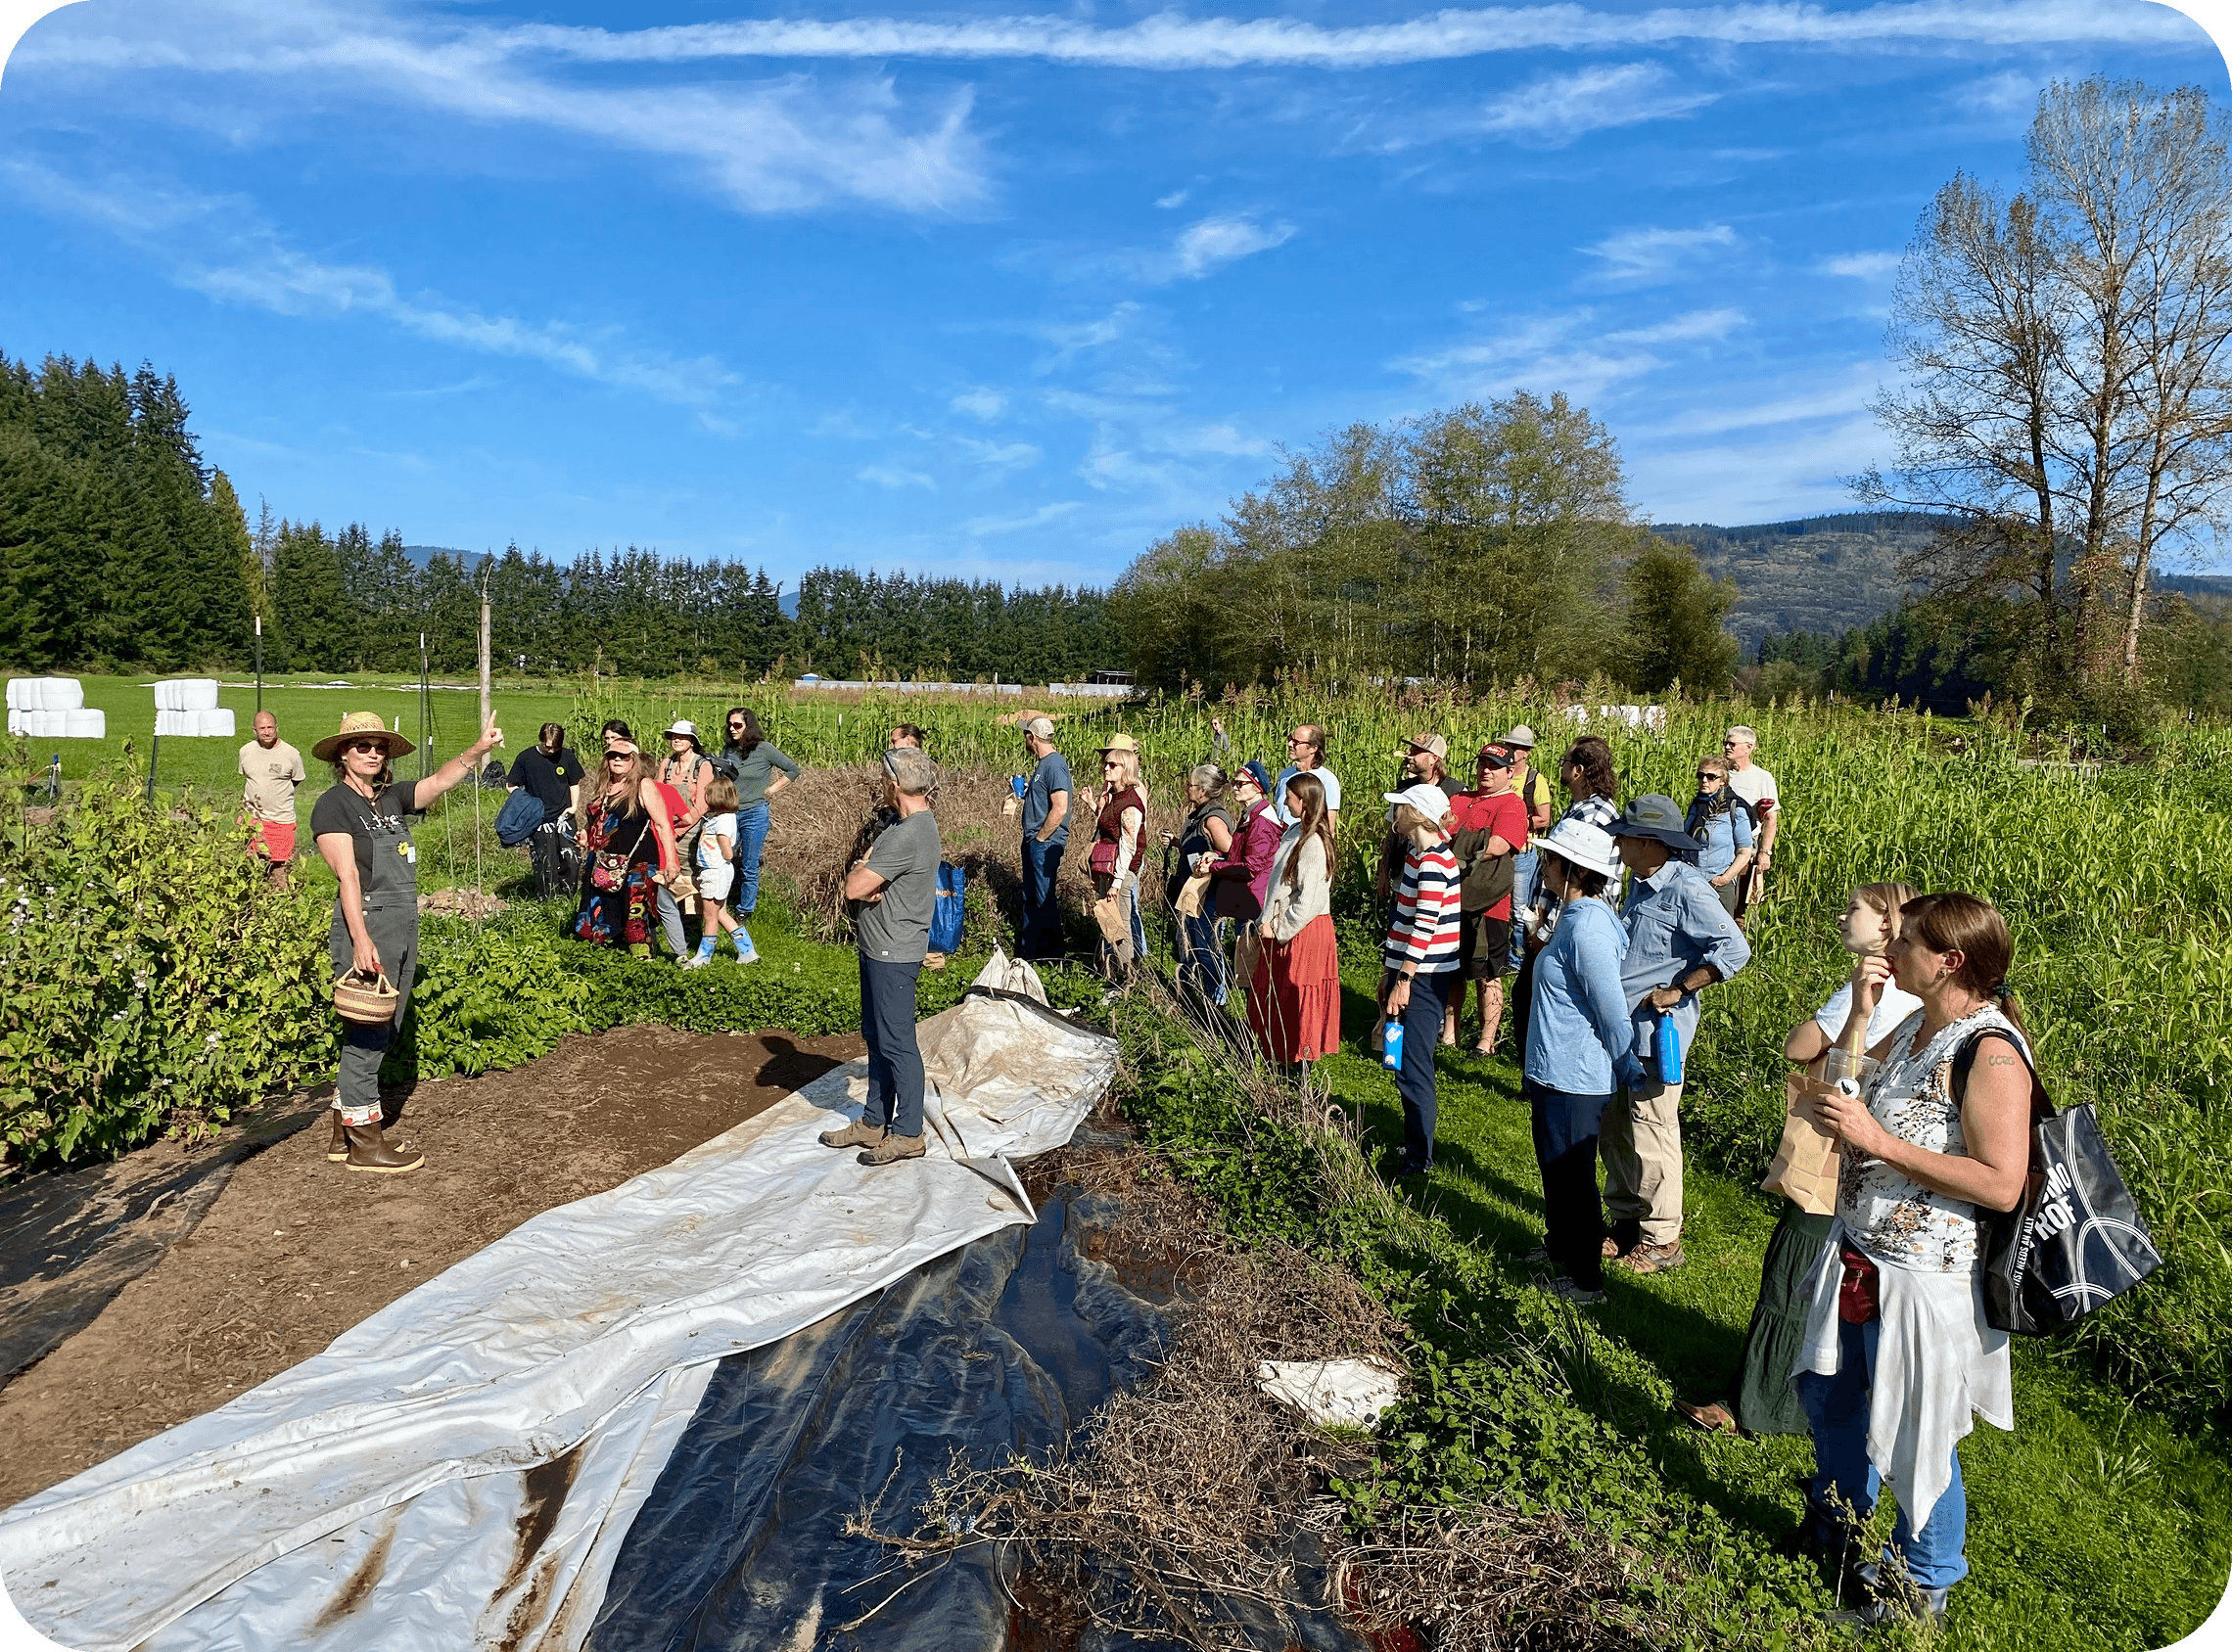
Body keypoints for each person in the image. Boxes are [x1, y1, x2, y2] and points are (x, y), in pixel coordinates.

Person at [1790, 893, 2033, 1628]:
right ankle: (1840, 1529)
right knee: (1832, 1400)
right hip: (1864, 1253)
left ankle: (1919, 1590)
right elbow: (1843, 1095)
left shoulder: (1989, 1051)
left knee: (1916, 1436)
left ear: (1950, 961)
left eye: (1906, 944)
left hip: (1926, 1277)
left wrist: (1879, 1142)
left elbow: (2002, 1182)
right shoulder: (1919, 1025)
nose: (1889, 953)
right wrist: (1862, 1017)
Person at [1677, 883, 1920, 1439]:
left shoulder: (1869, 984)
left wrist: (1851, 1014)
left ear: (1886, 924)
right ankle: (1810, 1406)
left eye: (1854, 908)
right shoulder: (1912, 992)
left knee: (1795, 1274)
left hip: (1839, 1152)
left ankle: (1758, 1408)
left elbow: (1799, 1046)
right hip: (1878, 1163)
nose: (1842, 914)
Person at [310, 709, 503, 1174]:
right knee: (368, 1033)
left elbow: (438, 782)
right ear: (342, 753)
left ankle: (342, 1126)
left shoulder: (389, 799)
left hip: (401, 923)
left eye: (379, 747)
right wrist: (360, 940)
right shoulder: (333, 805)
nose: (372, 753)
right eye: (362, 746)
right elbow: (348, 876)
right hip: (369, 923)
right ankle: (365, 1144)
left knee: (384, 1026)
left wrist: (478, 751)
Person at [1602, 795, 1751, 1274]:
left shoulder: (1687, 888)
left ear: (1650, 842)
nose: (1619, 841)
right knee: (1617, 1130)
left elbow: (1734, 949)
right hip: (1622, 1031)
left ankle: (1662, 1238)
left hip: (1656, 1037)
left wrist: (1679, 989)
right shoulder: (1640, 883)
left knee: (1652, 1133)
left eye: (1626, 835)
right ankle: (1626, 1220)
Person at [1519, 817, 1642, 1303]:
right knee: (1555, 1167)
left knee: (1573, 1176)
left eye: (1550, 859)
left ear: (1571, 870)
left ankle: (1587, 1278)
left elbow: (1610, 1006)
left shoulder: (1588, 928)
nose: (1543, 865)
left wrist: (1625, 1058)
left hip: (1576, 1074)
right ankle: (1561, 1246)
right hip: (1553, 1067)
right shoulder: (1571, 918)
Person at [819, 747, 944, 1166]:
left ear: (894, 785)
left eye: (882, 780)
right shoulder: (903, 825)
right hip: (879, 946)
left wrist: (865, 871)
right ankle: (874, 1121)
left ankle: (909, 1132)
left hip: (894, 950)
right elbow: (866, 876)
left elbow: (854, 886)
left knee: (898, 1043)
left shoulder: (910, 833)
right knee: (877, 1039)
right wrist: (869, 870)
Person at [1512, 734, 1622, 1059]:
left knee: (1534, 998)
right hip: (1558, 923)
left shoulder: (1593, 815)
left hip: (1568, 926)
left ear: (1578, 770)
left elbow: (1578, 880)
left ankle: (1540, 1076)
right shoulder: (1581, 808)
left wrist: (1544, 933)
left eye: (1565, 762)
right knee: (1528, 995)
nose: (1560, 769)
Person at [1379, 782, 1462, 1179]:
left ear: (1415, 814)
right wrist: (1389, 971)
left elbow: (1425, 925)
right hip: (1409, 971)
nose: (1394, 813)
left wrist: (1404, 978)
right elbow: (1403, 920)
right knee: (1402, 1061)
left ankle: (1419, 1158)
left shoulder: (1432, 863)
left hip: (1424, 976)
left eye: (1400, 807)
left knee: (1413, 1064)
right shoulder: (1418, 856)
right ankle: (1414, 1139)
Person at [1251, 771, 1340, 1073]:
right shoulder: (1293, 832)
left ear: (1303, 801)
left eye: (1289, 797)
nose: (1285, 802)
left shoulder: (1314, 842)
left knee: (1299, 996)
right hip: (1286, 928)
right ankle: (1279, 1056)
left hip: (1303, 930)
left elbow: (1309, 901)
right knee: (1278, 995)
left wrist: (1278, 929)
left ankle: (1299, 1068)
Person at [1447, 744, 1529, 1055]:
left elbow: (1497, 845)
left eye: (1494, 766)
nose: (1486, 770)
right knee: (1451, 969)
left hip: (1489, 905)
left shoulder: (1512, 805)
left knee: (1489, 974)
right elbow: (1435, 830)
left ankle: (1486, 1042)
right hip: (1452, 898)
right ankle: (1449, 1035)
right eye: (1483, 764)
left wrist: (1456, 845)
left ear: (1509, 772)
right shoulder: (1461, 799)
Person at [572, 742, 680, 959]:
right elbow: (594, 822)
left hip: (637, 864)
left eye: (623, 757)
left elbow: (663, 825)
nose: (617, 760)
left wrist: (671, 862)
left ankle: (643, 962)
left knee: (635, 915)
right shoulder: (604, 786)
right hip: (602, 864)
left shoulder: (644, 786)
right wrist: (585, 835)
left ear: (634, 761)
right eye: (613, 756)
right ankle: (606, 960)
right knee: (603, 912)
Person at [715, 709, 799, 923]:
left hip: (755, 813)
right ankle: (718, 903)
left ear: (748, 726)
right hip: (729, 812)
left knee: (749, 864)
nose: (732, 729)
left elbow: (792, 769)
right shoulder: (728, 751)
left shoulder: (764, 749)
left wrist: (772, 789)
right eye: (730, 725)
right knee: (724, 859)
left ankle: (745, 909)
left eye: (737, 725)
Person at [1163, 762, 1234, 1007]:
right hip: (1195, 891)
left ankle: (1216, 1001)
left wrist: (1213, 860)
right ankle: (1197, 994)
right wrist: (1176, 843)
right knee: (1193, 942)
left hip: (1208, 894)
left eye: (1191, 785)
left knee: (1206, 945)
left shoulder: (1213, 819)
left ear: (1203, 790)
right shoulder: (1199, 814)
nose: (1187, 788)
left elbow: (1231, 853)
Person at [1088, 736, 1147, 980]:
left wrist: (1116, 883)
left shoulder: (1130, 802)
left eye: (1113, 765)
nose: (1106, 767)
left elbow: (1128, 846)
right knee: (1109, 923)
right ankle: (1111, 972)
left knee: (1120, 927)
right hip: (1109, 870)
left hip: (1121, 873)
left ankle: (1126, 979)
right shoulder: (1116, 797)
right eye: (1106, 764)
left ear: (1126, 769)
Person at [1502, 723, 1558, 975]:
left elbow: (1544, 819)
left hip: (1523, 853)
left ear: (1526, 752)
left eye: (1516, 747)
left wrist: (1517, 823)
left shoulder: (1536, 780)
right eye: (1509, 746)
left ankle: (1519, 958)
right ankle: (1502, 953)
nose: (1511, 751)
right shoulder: (1500, 774)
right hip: (1500, 851)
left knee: (1520, 907)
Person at [506, 722, 585, 899]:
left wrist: (573, 807)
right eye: (548, 747)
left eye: (555, 747)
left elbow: (574, 783)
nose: (552, 751)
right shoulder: (526, 758)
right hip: (539, 818)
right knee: (546, 861)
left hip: (564, 816)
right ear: (541, 740)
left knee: (571, 859)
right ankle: (547, 900)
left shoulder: (566, 756)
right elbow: (511, 785)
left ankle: (568, 898)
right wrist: (528, 804)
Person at [685, 774, 756, 967]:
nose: (705, 797)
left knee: (710, 917)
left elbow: (727, 851)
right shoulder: (722, 818)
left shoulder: (723, 821)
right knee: (721, 913)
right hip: (717, 872)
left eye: (707, 794)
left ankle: (703, 956)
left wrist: (724, 855)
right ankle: (747, 951)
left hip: (714, 872)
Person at [1018, 716, 1073, 961]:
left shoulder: (1054, 764)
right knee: (1032, 897)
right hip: (1035, 841)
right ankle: (1030, 954)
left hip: (1045, 843)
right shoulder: (1044, 766)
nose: (1024, 740)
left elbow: (1060, 807)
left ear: (1033, 738)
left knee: (1043, 898)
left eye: (1025, 735)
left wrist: (1041, 838)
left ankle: (1054, 957)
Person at [239, 710, 306, 889]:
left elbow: (297, 780)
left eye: (270, 727)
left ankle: (281, 909)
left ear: (277, 728)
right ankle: (253, 911)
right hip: (253, 820)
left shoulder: (291, 754)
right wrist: (242, 813)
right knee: (251, 870)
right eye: (262, 728)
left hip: (280, 820)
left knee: (280, 872)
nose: (267, 732)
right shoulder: (245, 751)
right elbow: (249, 781)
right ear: (254, 730)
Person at [1685, 755, 1756, 916]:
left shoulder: (1735, 808)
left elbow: (1745, 851)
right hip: (1692, 883)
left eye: (1711, 777)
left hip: (1719, 886)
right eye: (1700, 775)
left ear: (1723, 781)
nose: (1704, 780)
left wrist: (1724, 878)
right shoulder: (1696, 806)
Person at [1725, 725, 1781, 921]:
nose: (1727, 747)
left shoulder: (1762, 778)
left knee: (1741, 904)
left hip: (1746, 847)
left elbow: (1770, 817)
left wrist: (1765, 852)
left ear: (1748, 748)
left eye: (1732, 744)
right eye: (1726, 743)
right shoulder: (1718, 773)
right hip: (1719, 844)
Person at [1274, 722, 1340, 829]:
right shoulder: (1285, 775)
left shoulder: (1327, 780)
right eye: (1290, 739)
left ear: (1313, 748)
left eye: (1296, 742)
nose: (1290, 744)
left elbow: (1329, 828)